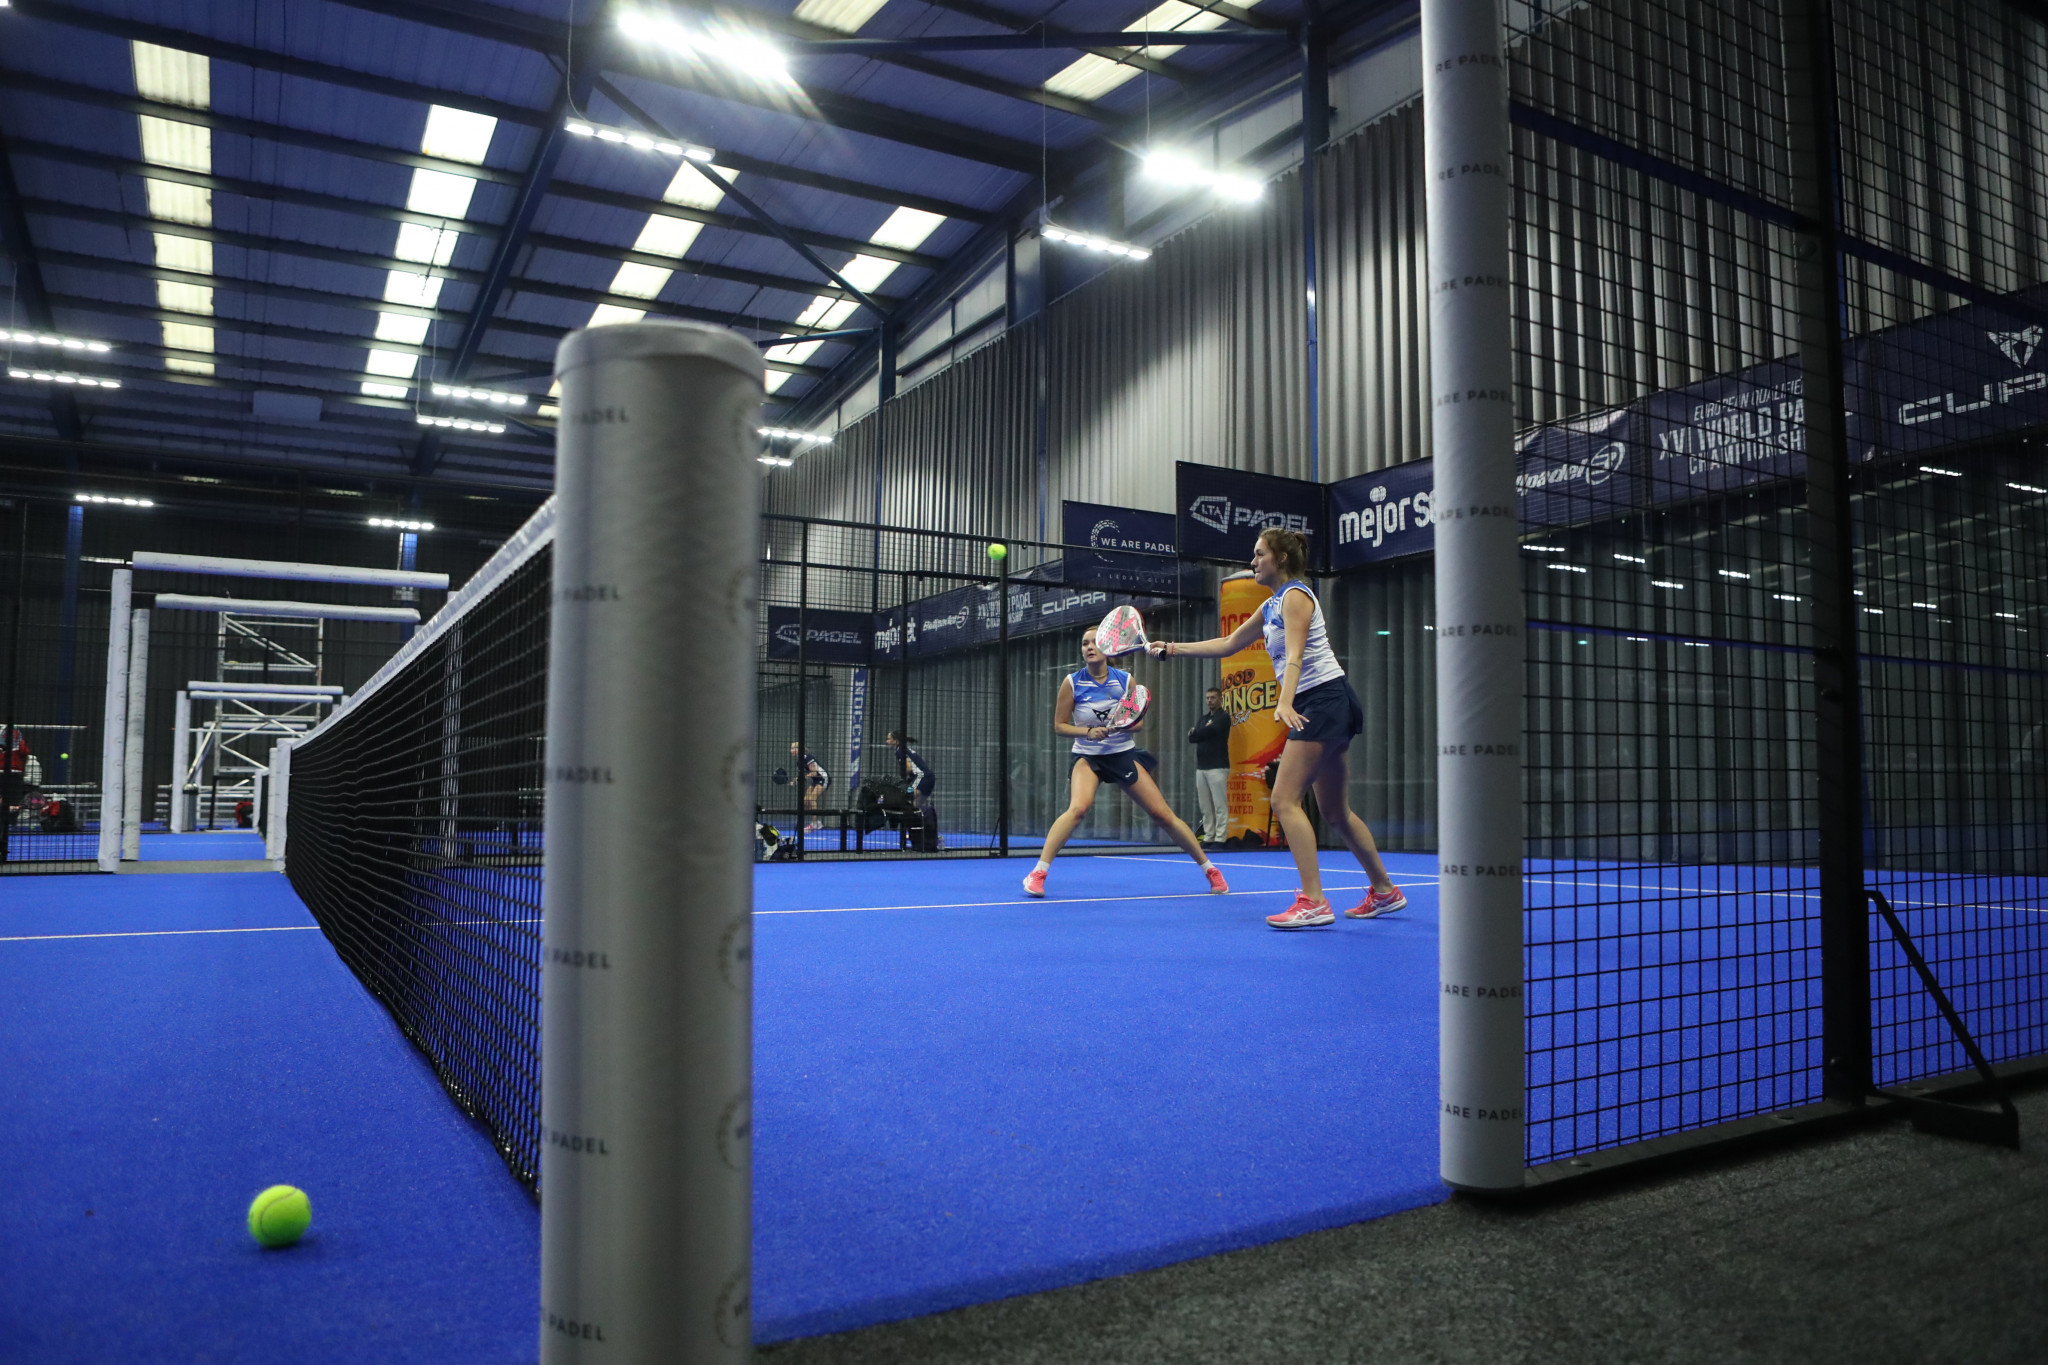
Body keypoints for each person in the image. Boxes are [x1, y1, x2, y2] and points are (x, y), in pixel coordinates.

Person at [1153, 527, 1406, 929]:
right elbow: (1229, 643)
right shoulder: (1271, 605)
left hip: (1322, 699)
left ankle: (1314, 902)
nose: (1253, 562)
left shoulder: (1296, 596)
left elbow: (1295, 654)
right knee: (1335, 811)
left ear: (1281, 559)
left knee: (1284, 800)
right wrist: (1172, 648)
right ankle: (1385, 890)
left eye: (1259, 554)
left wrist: (1284, 701)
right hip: (1324, 702)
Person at [1022, 628, 1228, 898]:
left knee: (1162, 814)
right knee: (1078, 809)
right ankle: (1038, 873)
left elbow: (1138, 723)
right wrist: (1088, 732)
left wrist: (1119, 727)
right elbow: (1059, 726)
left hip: (1122, 754)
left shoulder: (1125, 681)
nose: (1089, 647)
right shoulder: (1072, 682)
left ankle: (1211, 870)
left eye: (1095, 642)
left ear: (1108, 649)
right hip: (1088, 755)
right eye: (1085, 643)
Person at [1186, 686, 1232, 844]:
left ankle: (1220, 838)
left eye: (1213, 697)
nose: (1210, 700)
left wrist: (1197, 731)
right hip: (1202, 767)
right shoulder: (1204, 718)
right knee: (1205, 806)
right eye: (1207, 698)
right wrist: (1199, 731)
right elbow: (1192, 738)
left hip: (1218, 766)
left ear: (1220, 699)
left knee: (1219, 805)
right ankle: (1208, 836)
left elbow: (1207, 732)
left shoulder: (1223, 717)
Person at [885, 730, 940, 851]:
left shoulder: (900, 751)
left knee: (907, 800)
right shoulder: (905, 749)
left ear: (895, 740)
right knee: (916, 807)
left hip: (922, 777)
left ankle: (911, 836)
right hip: (929, 778)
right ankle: (924, 837)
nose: (887, 742)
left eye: (889, 739)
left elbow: (909, 769)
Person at [788, 741, 829, 831]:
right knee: (806, 801)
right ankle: (817, 822)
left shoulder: (808, 757)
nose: (791, 750)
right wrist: (794, 780)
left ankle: (814, 824)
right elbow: (804, 775)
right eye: (791, 748)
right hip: (815, 780)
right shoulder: (799, 762)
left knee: (812, 799)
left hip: (823, 778)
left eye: (793, 748)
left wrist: (802, 778)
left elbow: (814, 773)